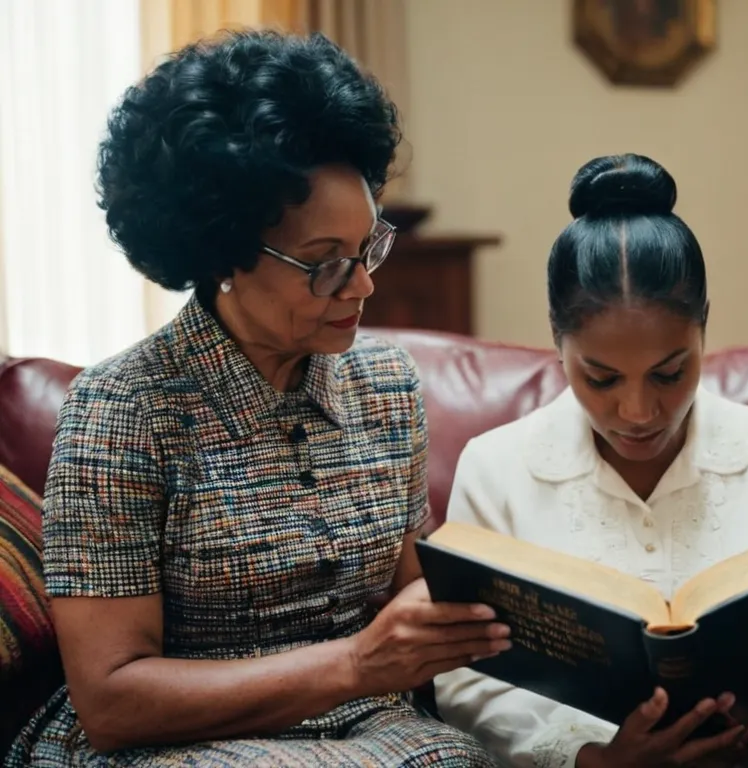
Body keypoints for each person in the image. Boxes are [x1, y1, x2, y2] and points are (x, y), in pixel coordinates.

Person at [6, 30, 509, 767]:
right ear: (222, 255)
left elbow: (417, 608)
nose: (363, 284)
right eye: (324, 265)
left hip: (374, 729)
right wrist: (356, 665)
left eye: (368, 248)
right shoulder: (123, 411)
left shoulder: (387, 388)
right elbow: (112, 701)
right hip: (173, 746)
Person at [433, 154, 748, 767]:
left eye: (669, 373)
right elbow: (467, 681)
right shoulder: (495, 468)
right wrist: (593, 760)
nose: (638, 411)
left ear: (703, 331)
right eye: (602, 378)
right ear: (557, 342)